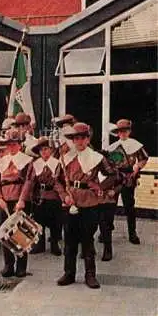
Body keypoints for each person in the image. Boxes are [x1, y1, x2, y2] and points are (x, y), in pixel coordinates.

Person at [55, 122, 117, 289]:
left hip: (89, 203)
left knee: (87, 240)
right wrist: (63, 195)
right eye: (76, 138)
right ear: (73, 140)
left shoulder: (97, 157)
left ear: (88, 139)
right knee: (69, 240)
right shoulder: (66, 158)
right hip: (70, 202)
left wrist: (100, 187)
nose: (80, 141)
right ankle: (69, 273)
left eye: (83, 138)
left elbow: (113, 175)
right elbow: (57, 181)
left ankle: (90, 275)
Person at [0, 129, 34, 277]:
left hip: (19, 200)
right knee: (5, 233)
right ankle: (8, 265)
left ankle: (21, 266)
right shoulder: (0, 162)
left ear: (20, 145)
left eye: (14, 144)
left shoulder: (27, 161)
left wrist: (22, 200)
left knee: (20, 234)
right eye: (9, 144)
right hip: (4, 200)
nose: (11, 147)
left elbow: (29, 181)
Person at [105, 119, 148, 244]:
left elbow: (144, 158)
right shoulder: (113, 147)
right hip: (116, 177)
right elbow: (109, 162)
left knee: (129, 206)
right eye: (120, 131)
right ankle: (106, 232)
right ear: (117, 133)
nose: (123, 133)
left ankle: (132, 233)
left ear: (129, 131)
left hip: (129, 177)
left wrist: (137, 167)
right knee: (110, 206)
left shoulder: (136, 145)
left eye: (125, 131)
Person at [29, 137, 63, 256]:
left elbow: (61, 181)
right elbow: (31, 181)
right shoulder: (35, 164)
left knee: (55, 221)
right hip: (40, 195)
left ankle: (54, 244)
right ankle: (40, 244)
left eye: (46, 149)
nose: (44, 152)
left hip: (53, 195)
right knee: (39, 221)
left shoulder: (57, 163)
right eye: (41, 150)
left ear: (51, 150)